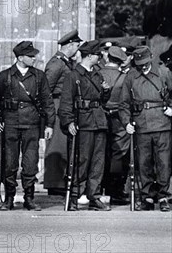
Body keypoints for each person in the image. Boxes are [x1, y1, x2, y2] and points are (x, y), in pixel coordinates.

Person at [0, 41, 55, 211]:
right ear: (20, 58)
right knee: (9, 163)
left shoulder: (39, 76)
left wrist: (49, 124)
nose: (34, 58)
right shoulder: (6, 76)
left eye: (34, 55)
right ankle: (9, 197)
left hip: (31, 124)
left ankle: (29, 198)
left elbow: (47, 101)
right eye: (30, 56)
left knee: (30, 163)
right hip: (10, 124)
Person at [58, 40, 112, 211]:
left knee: (98, 162)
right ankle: (74, 195)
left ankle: (93, 196)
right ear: (89, 56)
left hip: (99, 121)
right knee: (80, 161)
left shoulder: (97, 74)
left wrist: (105, 91)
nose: (101, 56)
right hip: (83, 122)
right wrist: (68, 121)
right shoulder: (73, 75)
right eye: (98, 54)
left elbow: (102, 101)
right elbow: (66, 102)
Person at [119, 46, 172, 212]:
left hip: (163, 123)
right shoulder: (131, 76)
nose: (143, 66)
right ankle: (147, 196)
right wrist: (126, 122)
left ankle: (164, 196)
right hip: (141, 125)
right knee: (144, 163)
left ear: (151, 58)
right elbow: (124, 103)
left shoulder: (164, 73)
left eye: (145, 63)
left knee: (164, 162)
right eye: (139, 63)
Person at [44, 30, 82, 195]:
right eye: (77, 45)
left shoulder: (66, 62)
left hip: (65, 104)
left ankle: (62, 180)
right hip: (57, 104)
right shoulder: (57, 63)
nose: (78, 49)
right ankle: (54, 183)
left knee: (65, 144)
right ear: (70, 45)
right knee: (57, 144)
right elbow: (46, 89)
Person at [99, 46, 130, 205]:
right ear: (120, 61)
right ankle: (115, 190)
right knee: (119, 153)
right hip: (119, 118)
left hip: (100, 117)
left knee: (100, 153)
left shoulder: (98, 74)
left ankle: (99, 188)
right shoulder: (125, 78)